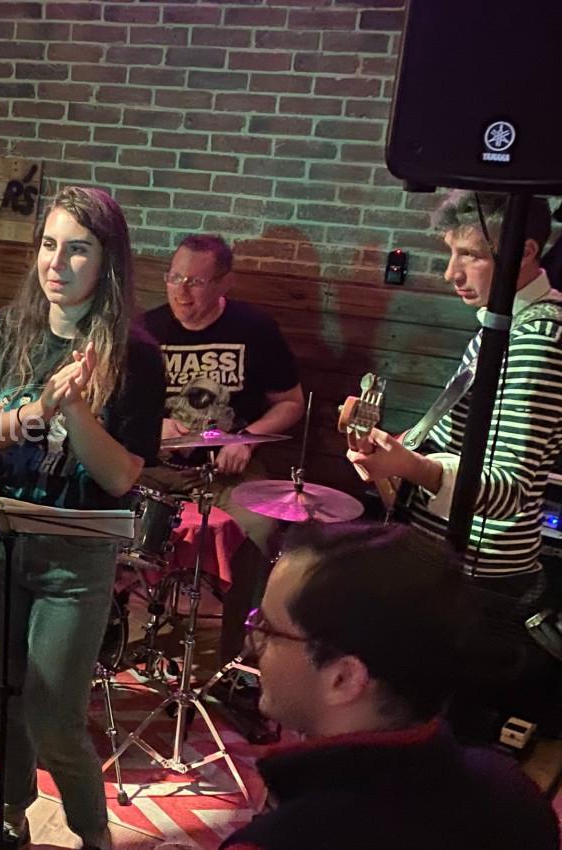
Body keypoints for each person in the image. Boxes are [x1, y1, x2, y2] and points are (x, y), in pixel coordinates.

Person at [0, 186, 165, 850]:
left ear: (108, 263)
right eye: (48, 245)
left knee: (54, 714)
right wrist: (33, 415)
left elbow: (124, 475)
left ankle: (93, 835)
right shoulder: (6, 330)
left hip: (76, 558)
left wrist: (74, 412)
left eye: (77, 250)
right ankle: (10, 818)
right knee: (3, 698)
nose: (57, 264)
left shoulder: (136, 355)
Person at [345, 192, 562, 729]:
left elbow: (510, 490)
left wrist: (410, 467)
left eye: (470, 255)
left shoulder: (537, 340)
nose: (450, 273)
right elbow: (447, 458)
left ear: (525, 251)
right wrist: (386, 457)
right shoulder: (502, 328)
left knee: (435, 737)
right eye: (451, 253)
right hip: (452, 560)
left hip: (482, 580)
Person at [221, 521, 559, 849]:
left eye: (269, 629)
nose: (254, 645)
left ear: (344, 678)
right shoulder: (514, 793)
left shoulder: (276, 841)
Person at [141, 234, 304, 660]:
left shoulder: (255, 330)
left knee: (263, 529)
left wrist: (247, 439)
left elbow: (291, 404)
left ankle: (237, 655)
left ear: (223, 284)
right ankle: (116, 641)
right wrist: (151, 424)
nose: (181, 291)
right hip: (156, 470)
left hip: (228, 472)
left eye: (195, 281)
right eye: (174, 278)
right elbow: (113, 409)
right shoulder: (146, 330)